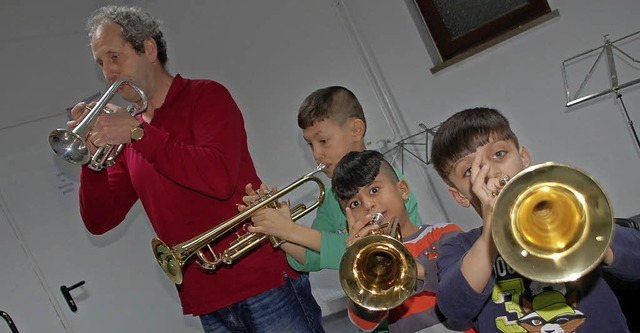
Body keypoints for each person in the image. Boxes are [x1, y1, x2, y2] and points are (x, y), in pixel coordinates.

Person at [70, 5, 323, 332]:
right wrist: (90, 162)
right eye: (101, 63)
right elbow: (99, 221)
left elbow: (216, 179)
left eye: (115, 57)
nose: (108, 74)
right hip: (206, 298)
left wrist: (138, 134)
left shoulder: (206, 97)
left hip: (262, 280)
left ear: (148, 49)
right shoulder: (129, 136)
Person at [430, 107, 640, 332]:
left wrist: (586, 237)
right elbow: (454, 309)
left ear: (523, 157)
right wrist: (490, 237)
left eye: (499, 154)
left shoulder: (572, 212)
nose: (489, 171)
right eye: (470, 171)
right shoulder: (459, 246)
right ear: (459, 195)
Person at [241, 86, 422, 273]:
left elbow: (384, 242)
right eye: (310, 145)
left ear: (356, 130)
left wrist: (290, 230)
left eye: (323, 141)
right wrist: (275, 227)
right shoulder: (331, 197)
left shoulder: (386, 181)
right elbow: (311, 259)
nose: (317, 154)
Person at [333, 150, 475, 333]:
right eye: (354, 203)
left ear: (403, 190)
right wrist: (360, 265)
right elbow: (365, 323)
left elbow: (466, 284)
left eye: (374, 190)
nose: (367, 204)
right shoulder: (369, 262)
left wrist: (410, 268)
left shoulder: (443, 233)